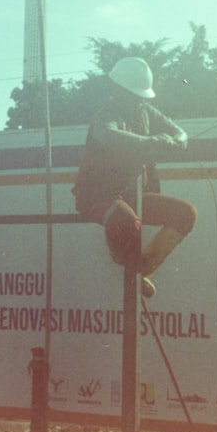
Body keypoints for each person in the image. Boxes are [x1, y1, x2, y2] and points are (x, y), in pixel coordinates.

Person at [72, 57, 197, 298]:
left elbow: (181, 134)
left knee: (185, 214)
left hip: (133, 195)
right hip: (97, 195)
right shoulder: (106, 115)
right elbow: (107, 135)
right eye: (133, 94)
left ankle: (143, 270)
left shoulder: (147, 112)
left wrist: (175, 142)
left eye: (141, 96)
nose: (138, 100)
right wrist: (151, 142)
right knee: (126, 223)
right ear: (118, 90)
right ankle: (128, 263)